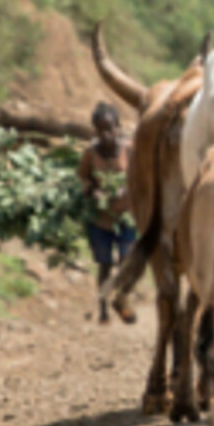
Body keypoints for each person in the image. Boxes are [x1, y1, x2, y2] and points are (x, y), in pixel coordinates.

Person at [78, 102, 136, 324]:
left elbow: (139, 178)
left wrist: (127, 188)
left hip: (126, 216)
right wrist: (94, 192)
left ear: (118, 128)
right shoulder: (90, 154)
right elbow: (83, 179)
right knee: (104, 264)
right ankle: (102, 306)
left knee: (126, 261)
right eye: (101, 130)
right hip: (100, 220)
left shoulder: (129, 151)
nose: (107, 134)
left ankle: (122, 301)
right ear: (95, 131)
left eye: (111, 128)